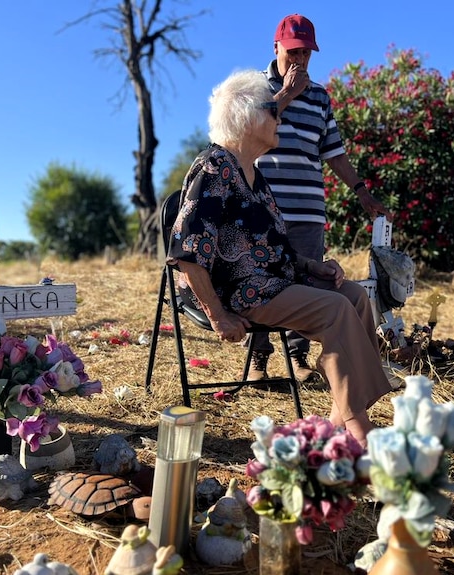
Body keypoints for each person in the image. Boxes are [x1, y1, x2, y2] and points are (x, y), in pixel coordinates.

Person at [167, 69, 391, 445]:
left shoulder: (254, 174)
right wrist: (218, 315)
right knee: (335, 310)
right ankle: (360, 430)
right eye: (273, 110)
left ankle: (340, 417)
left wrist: (313, 266)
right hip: (242, 292)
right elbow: (186, 254)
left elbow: (276, 249)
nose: (280, 117)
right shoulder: (214, 168)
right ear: (248, 116)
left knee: (355, 298)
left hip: (275, 281)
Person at [249, 14, 389, 382]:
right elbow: (248, 130)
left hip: (308, 210)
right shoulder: (256, 88)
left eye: (306, 53)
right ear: (276, 47)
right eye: (293, 51)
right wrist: (287, 95)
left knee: (304, 281)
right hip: (265, 210)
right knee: (262, 278)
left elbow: (334, 153)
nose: (299, 60)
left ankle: (298, 358)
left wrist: (362, 192)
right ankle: (258, 361)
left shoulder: (321, 96)